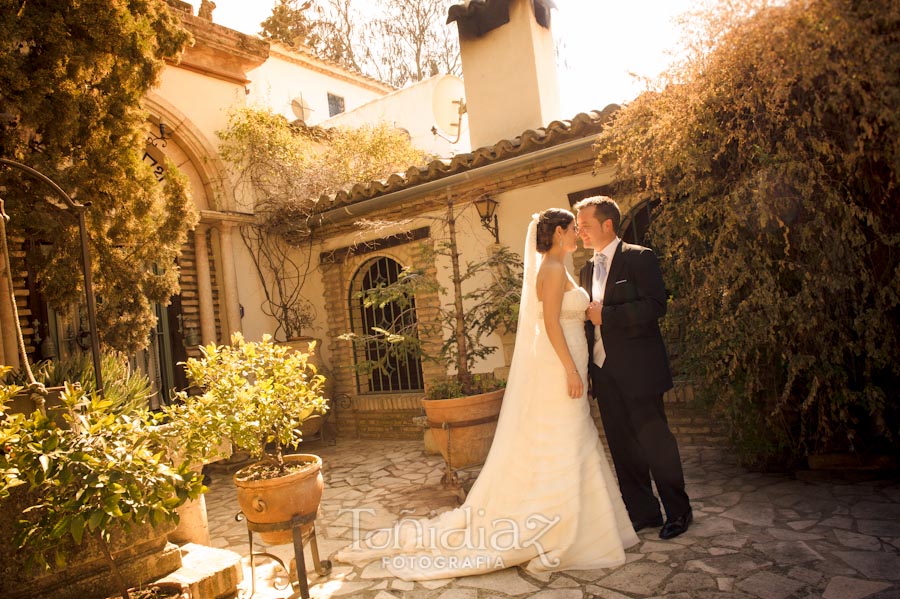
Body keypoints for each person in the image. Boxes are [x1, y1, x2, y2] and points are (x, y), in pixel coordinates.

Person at [334, 209, 638, 579]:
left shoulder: (558, 265)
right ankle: (561, 529)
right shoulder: (554, 270)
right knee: (569, 441)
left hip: (564, 363)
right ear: (559, 232)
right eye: (573, 228)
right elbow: (551, 328)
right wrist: (572, 370)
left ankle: (582, 525)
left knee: (572, 440)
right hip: (560, 367)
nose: (577, 233)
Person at [573, 195, 692, 540]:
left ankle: (679, 512)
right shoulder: (585, 269)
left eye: (585, 226)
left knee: (656, 445)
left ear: (607, 225)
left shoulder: (640, 258)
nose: (580, 232)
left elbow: (656, 305)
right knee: (623, 448)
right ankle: (644, 512)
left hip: (639, 371)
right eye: (578, 227)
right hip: (604, 374)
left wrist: (606, 316)